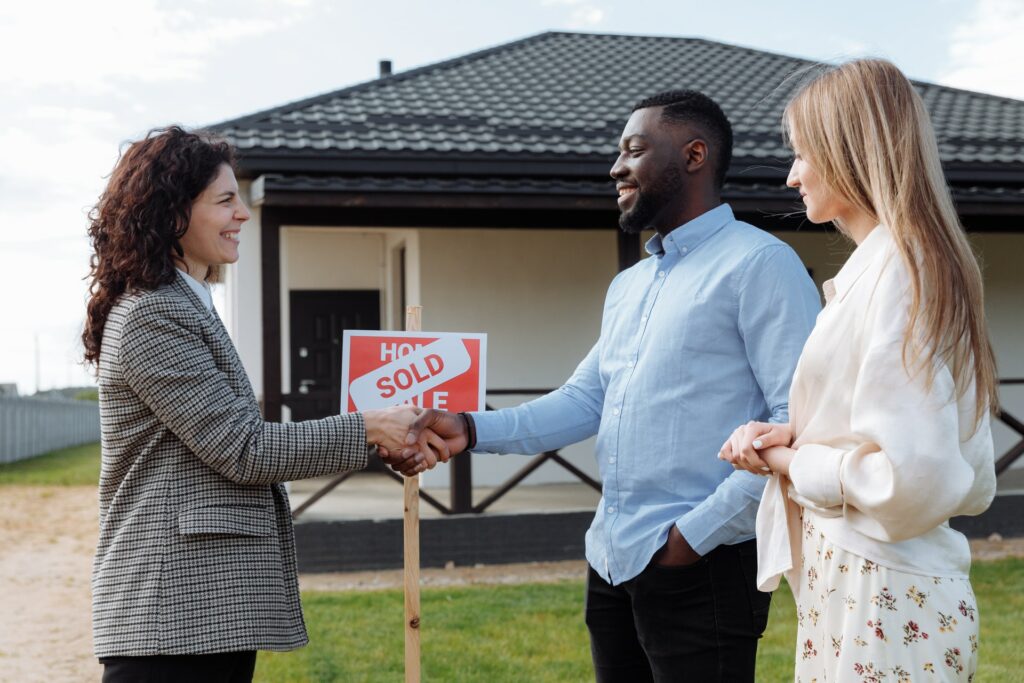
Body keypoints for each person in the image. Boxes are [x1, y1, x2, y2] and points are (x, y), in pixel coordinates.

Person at [391, 91, 821, 681]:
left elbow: (797, 421)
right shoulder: (629, 285)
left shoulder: (761, 265)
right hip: (612, 561)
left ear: (694, 155)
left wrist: (690, 539)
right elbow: (584, 400)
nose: (616, 168)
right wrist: (468, 428)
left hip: (702, 565)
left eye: (634, 150)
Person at [82, 126, 432, 682]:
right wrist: (369, 426)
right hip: (173, 612)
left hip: (196, 612)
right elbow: (245, 449)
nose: (243, 214)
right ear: (174, 213)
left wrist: (378, 430)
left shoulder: (184, 304)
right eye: (225, 200)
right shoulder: (153, 315)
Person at [719, 59, 997, 682]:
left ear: (849, 151)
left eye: (801, 153)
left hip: (884, 592)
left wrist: (788, 461)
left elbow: (913, 476)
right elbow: (937, 452)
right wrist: (795, 436)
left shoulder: (900, 272)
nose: (792, 176)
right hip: (868, 583)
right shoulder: (901, 265)